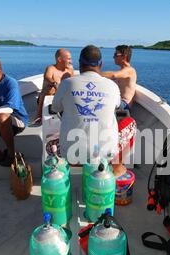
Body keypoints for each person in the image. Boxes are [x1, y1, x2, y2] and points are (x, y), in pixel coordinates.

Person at [51, 45, 136, 177]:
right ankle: (117, 167)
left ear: (80, 63)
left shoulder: (67, 83)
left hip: (71, 153)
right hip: (104, 155)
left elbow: (55, 108)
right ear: (100, 64)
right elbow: (117, 106)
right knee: (130, 123)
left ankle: (61, 171)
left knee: (51, 141)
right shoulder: (112, 86)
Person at [35, 48, 74, 122]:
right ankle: (39, 115)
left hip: (63, 97)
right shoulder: (51, 68)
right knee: (49, 89)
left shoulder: (70, 70)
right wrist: (54, 84)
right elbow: (47, 77)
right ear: (59, 59)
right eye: (69, 59)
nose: (71, 61)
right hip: (50, 96)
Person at [100, 45, 137, 111]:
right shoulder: (122, 72)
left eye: (116, 54)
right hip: (118, 102)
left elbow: (113, 75)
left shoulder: (130, 70)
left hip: (124, 105)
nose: (113, 57)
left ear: (124, 56)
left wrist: (95, 73)